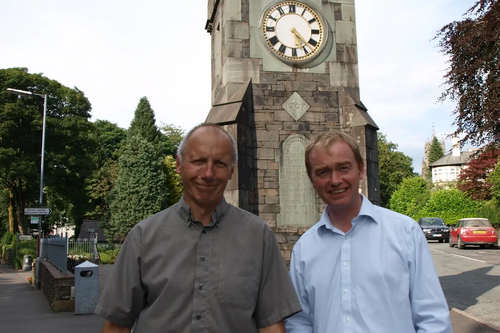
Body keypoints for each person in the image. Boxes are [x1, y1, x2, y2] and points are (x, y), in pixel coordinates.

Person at [95, 124, 301, 333]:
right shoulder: (144, 237)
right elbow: (117, 325)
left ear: (231, 171)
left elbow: (271, 324)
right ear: (179, 165)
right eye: (198, 161)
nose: (208, 173)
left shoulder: (259, 237)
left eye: (220, 163)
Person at [285, 132, 452, 333]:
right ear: (312, 179)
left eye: (343, 168)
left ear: (361, 169)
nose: (335, 180)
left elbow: (432, 318)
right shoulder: (304, 249)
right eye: (323, 172)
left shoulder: (404, 232)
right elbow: (299, 323)